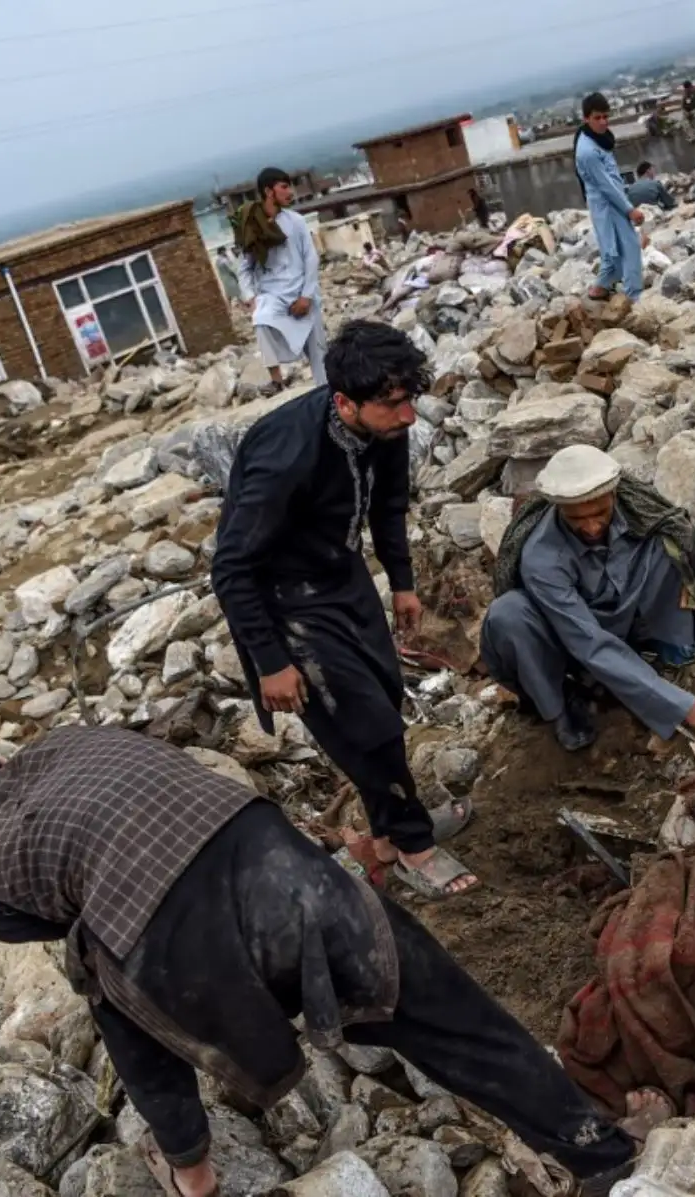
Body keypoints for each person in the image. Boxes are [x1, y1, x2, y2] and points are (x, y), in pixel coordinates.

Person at [0, 726, 635, 1197]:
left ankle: (196, 1174)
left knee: (112, 979)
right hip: (292, 873)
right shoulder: (76, 739)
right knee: (449, 1017)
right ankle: (600, 1153)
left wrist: (182, 1147)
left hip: (197, 960)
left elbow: (115, 968)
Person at [211, 320, 479, 899]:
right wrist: (269, 661)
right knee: (366, 726)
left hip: (341, 573)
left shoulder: (387, 425)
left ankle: (386, 836)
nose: (408, 416)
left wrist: (402, 582)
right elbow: (231, 566)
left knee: (382, 699)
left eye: (410, 400)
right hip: (282, 598)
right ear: (344, 401)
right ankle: (415, 847)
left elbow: (388, 506)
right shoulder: (287, 456)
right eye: (392, 405)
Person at [481, 445, 695, 753]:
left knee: (672, 545)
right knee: (508, 614)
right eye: (577, 519)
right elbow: (588, 642)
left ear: (614, 495)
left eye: (599, 513)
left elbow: (692, 575)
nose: (592, 527)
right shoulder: (541, 557)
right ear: (559, 510)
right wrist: (686, 707)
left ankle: (675, 646)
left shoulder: (644, 513)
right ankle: (560, 707)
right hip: (567, 642)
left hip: (624, 622)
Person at [233, 167, 325, 395]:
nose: (290, 192)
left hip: (304, 294)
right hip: (273, 294)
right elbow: (245, 267)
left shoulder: (296, 221)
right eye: (284, 187)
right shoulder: (254, 226)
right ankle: (276, 381)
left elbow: (310, 259)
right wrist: (250, 297)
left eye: (290, 186)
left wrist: (305, 296)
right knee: (261, 319)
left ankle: (327, 397)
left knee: (319, 356)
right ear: (268, 191)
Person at [572, 93, 644, 304]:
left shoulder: (595, 139)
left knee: (613, 250)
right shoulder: (587, 151)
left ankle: (601, 288)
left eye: (606, 117)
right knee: (627, 247)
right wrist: (629, 209)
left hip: (611, 200)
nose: (603, 122)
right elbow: (606, 185)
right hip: (607, 203)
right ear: (586, 118)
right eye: (597, 118)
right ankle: (633, 296)